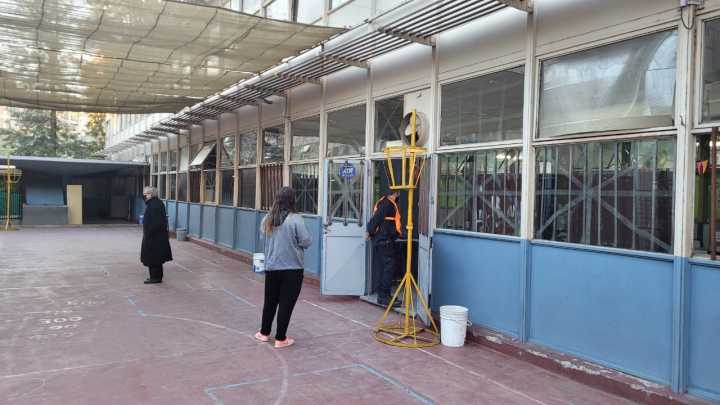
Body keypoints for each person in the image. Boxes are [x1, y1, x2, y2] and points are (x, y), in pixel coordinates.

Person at [255, 187, 311, 348]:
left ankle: (264, 333)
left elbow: (263, 237)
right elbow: (306, 241)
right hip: (293, 269)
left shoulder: (267, 219)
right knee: (286, 304)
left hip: (272, 267)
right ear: (293, 200)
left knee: (270, 302)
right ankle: (280, 339)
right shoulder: (296, 219)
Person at [366, 189, 402, 307]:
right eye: (398, 193)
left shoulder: (386, 202)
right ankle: (383, 297)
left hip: (384, 240)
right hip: (384, 240)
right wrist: (369, 231)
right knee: (388, 268)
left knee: (386, 268)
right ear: (396, 193)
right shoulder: (387, 204)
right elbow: (376, 219)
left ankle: (385, 295)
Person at [140, 186, 172, 284]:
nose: (144, 196)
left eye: (145, 194)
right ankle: (155, 277)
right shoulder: (154, 203)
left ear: (150, 194)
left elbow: (156, 223)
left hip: (155, 237)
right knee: (155, 258)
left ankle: (155, 278)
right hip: (155, 236)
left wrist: (149, 232)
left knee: (154, 257)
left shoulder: (154, 205)